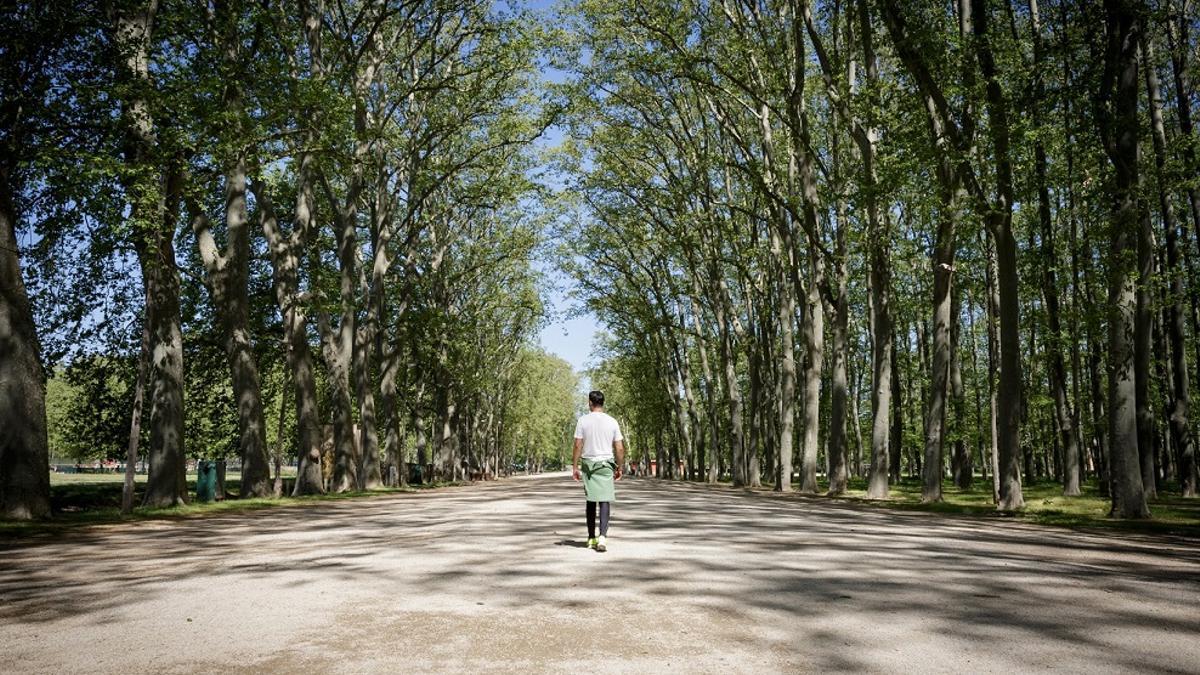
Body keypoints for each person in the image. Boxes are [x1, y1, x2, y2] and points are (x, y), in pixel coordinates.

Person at [572, 390, 626, 552]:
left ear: (590, 402)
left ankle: (590, 537)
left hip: (589, 465)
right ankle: (602, 536)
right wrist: (620, 466)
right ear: (603, 402)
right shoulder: (612, 421)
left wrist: (575, 466)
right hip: (606, 464)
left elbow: (577, 444)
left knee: (591, 500)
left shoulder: (583, 421)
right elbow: (619, 447)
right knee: (604, 500)